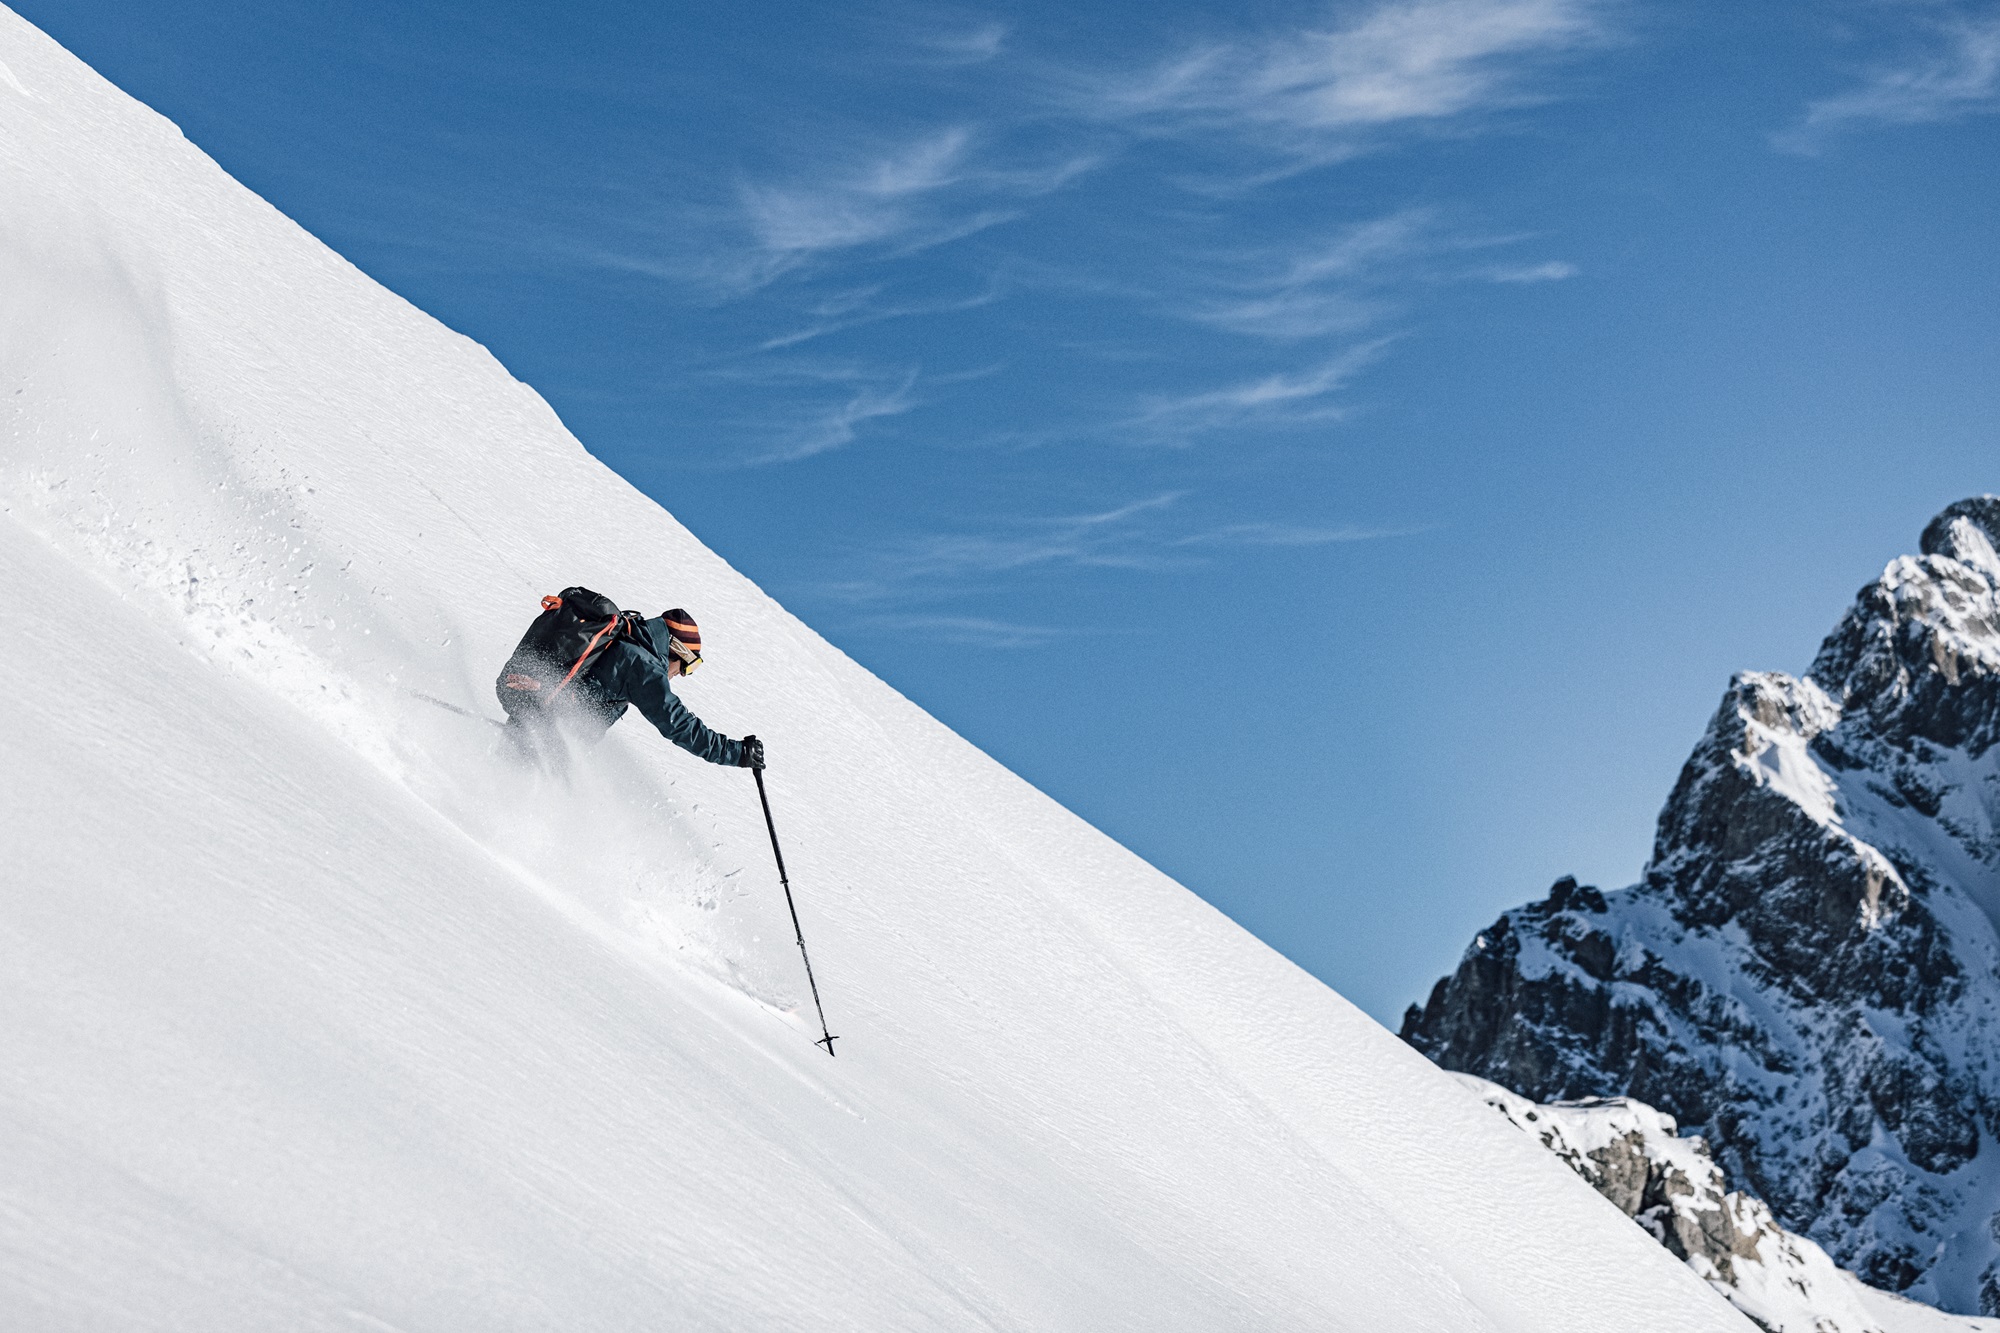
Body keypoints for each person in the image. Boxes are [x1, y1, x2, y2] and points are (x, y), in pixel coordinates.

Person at [505, 606, 763, 774]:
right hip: (546, 739)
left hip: (537, 719)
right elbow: (677, 724)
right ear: (677, 651)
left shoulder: (629, 638)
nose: (682, 675)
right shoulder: (643, 665)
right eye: (688, 666)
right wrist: (737, 753)